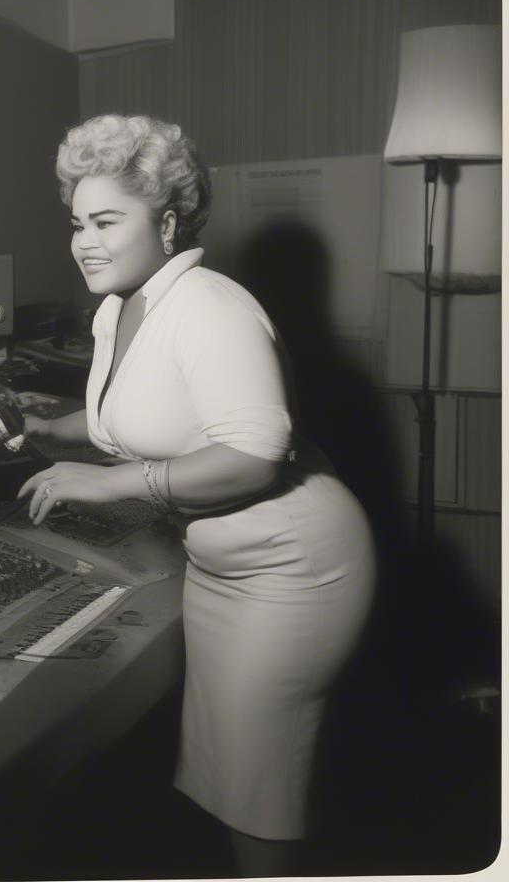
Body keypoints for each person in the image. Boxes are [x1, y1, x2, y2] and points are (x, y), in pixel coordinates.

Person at [19, 114, 376, 876]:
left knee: (259, 785)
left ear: (169, 220)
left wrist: (113, 481)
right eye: (77, 222)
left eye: (107, 220)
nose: (84, 240)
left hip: (294, 568)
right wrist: (56, 425)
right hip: (220, 567)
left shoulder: (212, 306)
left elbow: (253, 452)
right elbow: (142, 409)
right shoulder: (119, 306)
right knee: (225, 776)